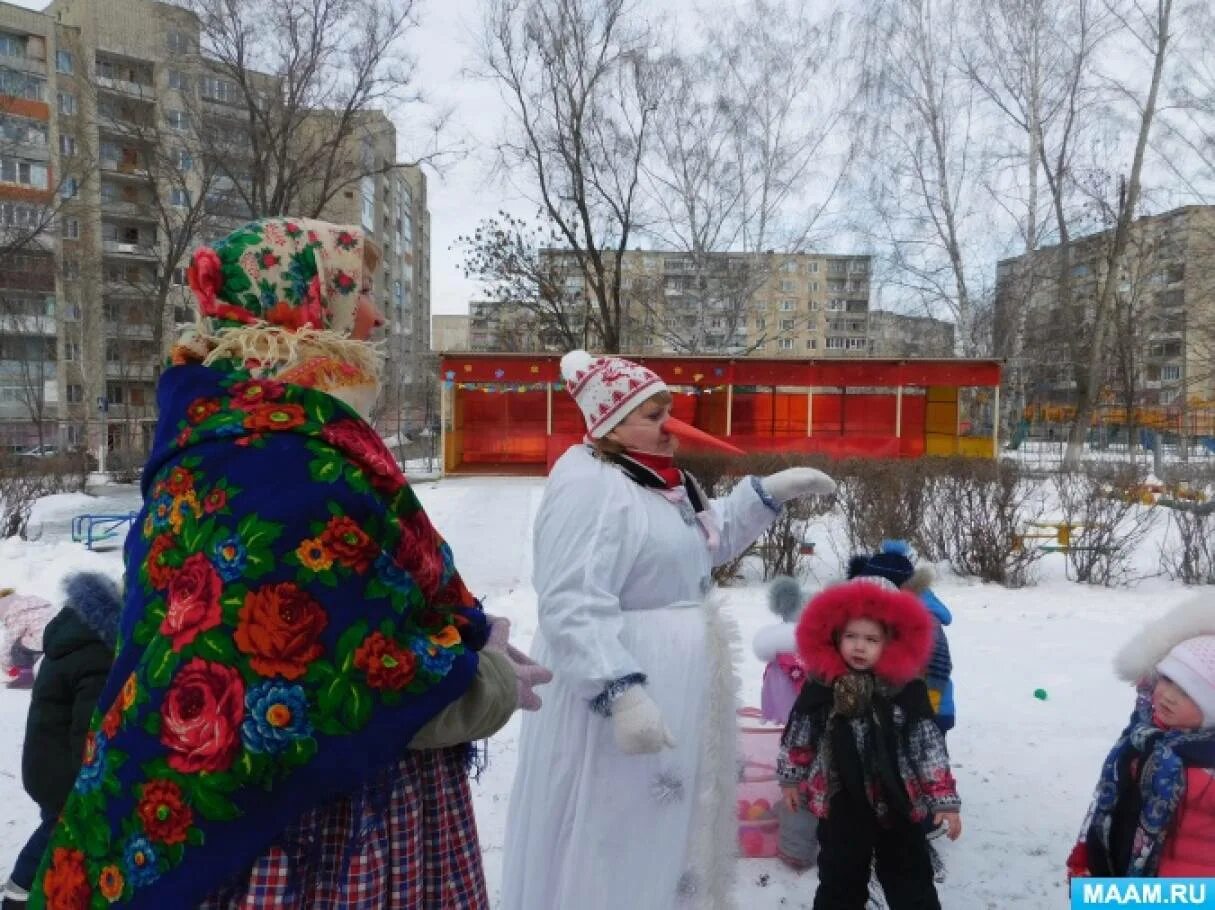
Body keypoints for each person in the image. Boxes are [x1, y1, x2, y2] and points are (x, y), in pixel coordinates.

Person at [27, 218, 539, 909]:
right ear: (304, 305)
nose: (377, 315)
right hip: (312, 843)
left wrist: (447, 635)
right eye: (357, 292)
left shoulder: (234, 436)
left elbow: (338, 613)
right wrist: (482, 680)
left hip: (288, 822)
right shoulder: (284, 458)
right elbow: (328, 689)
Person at [500, 349, 837, 910]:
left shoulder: (656, 479)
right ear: (609, 424)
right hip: (619, 696)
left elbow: (704, 544)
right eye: (653, 417)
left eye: (668, 412)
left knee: (670, 832)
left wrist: (770, 493)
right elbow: (571, 598)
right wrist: (620, 693)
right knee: (618, 830)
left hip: (675, 690)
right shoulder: (590, 486)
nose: (670, 428)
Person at [777, 577, 961, 910]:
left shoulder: (905, 691)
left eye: (871, 639)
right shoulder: (822, 685)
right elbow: (800, 734)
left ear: (890, 643)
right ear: (835, 636)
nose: (859, 647)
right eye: (851, 637)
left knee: (910, 876)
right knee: (839, 876)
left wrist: (944, 799)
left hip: (898, 801)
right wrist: (791, 776)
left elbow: (928, 749)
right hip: (841, 800)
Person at [1067, 598, 1215, 879]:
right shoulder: (1142, 736)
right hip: (1125, 882)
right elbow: (1105, 802)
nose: (1170, 695)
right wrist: (1085, 857)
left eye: (1188, 692)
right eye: (1168, 680)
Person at [3, 574, 121, 910]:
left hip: (43, 763)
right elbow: (87, 731)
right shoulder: (97, 656)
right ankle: (18, 894)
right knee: (57, 828)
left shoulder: (70, 639)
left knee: (53, 826)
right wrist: (86, 784)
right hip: (62, 771)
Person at [0, 591, 56, 690]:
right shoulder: (34, 602)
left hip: (43, 639)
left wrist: (6, 666)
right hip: (61, 633)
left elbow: (10, 642)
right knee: (30, 641)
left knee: (17, 647)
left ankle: (25, 679)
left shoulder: (14, 614)